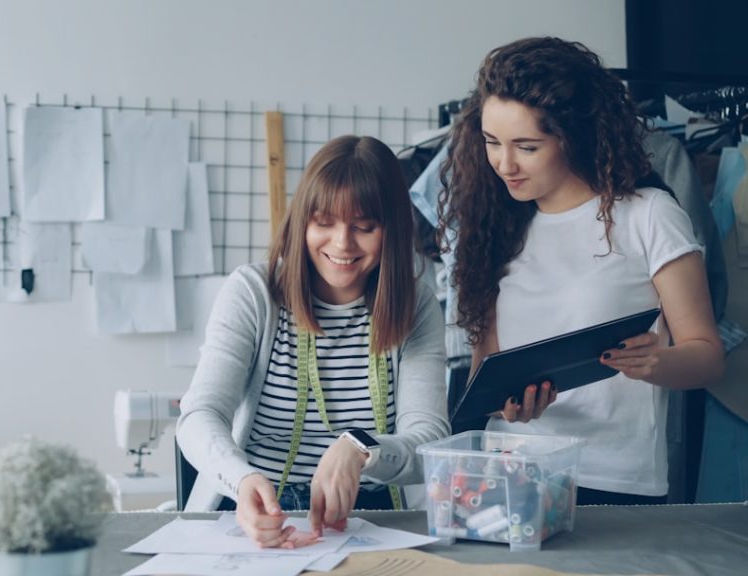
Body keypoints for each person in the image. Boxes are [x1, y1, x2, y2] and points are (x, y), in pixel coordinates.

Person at [438, 37, 725, 505]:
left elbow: (709, 358)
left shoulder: (649, 214)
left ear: (573, 135)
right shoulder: (493, 227)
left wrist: (656, 363)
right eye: (491, 142)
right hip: (510, 475)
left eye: (527, 147)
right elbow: (484, 377)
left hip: (614, 480)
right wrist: (506, 406)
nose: (504, 164)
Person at [176, 135, 450, 548]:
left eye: (364, 227)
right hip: (256, 509)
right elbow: (200, 414)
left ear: (392, 230)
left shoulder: (417, 306)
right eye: (324, 223)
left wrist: (360, 448)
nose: (342, 243)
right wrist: (241, 479)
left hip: (374, 519)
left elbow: (428, 438)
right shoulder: (253, 292)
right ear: (302, 221)